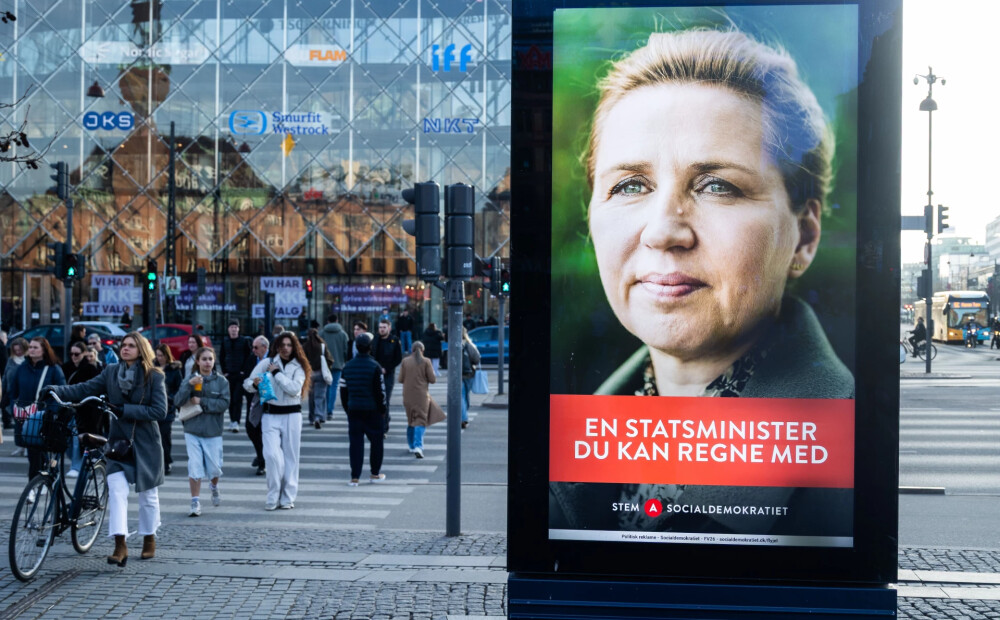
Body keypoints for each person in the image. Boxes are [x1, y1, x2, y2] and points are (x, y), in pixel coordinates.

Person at [551, 27, 854, 536]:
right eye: (629, 185)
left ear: (803, 236)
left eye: (718, 186)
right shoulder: (570, 445)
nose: (663, 230)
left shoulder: (849, 454)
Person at [44, 332, 167, 566]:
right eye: (124, 345)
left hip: (146, 444)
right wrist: (56, 390)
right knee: (117, 491)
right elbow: (84, 388)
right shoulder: (111, 372)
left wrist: (125, 410)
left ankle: (149, 537)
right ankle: (120, 544)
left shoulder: (154, 376)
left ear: (141, 350)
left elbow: (159, 411)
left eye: (131, 346)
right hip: (118, 444)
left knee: (148, 496)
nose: (126, 349)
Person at [244, 331, 310, 510]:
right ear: (277, 346)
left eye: (289, 345)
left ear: (294, 347)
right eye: (283, 345)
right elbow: (247, 383)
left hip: (292, 415)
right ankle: (273, 494)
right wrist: (254, 384)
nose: (286, 348)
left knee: (291, 457)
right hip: (270, 414)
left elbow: (294, 389)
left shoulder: (299, 366)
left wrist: (278, 373)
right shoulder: (267, 363)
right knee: (272, 455)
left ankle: (288, 496)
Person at [175, 346, 229, 517]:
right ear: (197, 361)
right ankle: (195, 502)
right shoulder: (190, 378)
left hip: (213, 430)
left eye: (210, 359)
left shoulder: (221, 382)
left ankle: (213, 486)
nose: (207, 362)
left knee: (214, 468)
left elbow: (223, 404)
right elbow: (177, 400)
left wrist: (202, 402)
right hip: (192, 429)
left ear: (214, 361)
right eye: (204, 359)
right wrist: (187, 387)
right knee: (195, 466)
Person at [11, 338, 66, 496]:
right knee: (32, 451)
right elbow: (13, 389)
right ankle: (34, 484)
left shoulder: (53, 369)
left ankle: (45, 480)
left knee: (42, 450)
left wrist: (53, 411)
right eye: (31, 347)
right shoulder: (23, 367)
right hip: (26, 415)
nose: (32, 350)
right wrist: (14, 405)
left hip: (45, 416)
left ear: (44, 350)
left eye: (35, 347)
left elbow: (61, 392)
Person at [339, 332, 387, 485]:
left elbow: (343, 391)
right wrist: (383, 410)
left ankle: (355, 477)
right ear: (370, 348)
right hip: (373, 410)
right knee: (376, 442)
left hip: (354, 409)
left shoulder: (347, 367)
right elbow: (381, 392)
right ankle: (374, 474)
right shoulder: (375, 366)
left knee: (355, 444)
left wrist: (348, 408)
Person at [61, 341, 101, 477]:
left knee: (79, 438)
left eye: (77, 354)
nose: (73, 356)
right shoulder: (66, 367)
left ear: (83, 354)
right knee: (69, 438)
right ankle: (78, 463)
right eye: (71, 353)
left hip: (85, 409)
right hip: (68, 407)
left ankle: (77, 466)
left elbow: (94, 389)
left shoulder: (90, 369)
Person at [397, 341, 435, 458]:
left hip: (407, 395)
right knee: (420, 420)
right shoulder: (426, 361)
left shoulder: (405, 361)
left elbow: (400, 379)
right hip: (422, 395)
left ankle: (411, 445)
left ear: (412, 350)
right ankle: (418, 446)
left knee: (411, 420)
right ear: (422, 350)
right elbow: (432, 379)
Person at [218, 320, 254, 433]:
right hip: (229, 374)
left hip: (240, 374)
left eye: (235, 327)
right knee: (230, 399)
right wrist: (224, 371)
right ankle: (232, 419)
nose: (233, 329)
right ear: (228, 329)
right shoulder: (225, 341)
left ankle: (236, 421)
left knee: (237, 398)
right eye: (231, 327)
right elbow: (221, 356)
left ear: (238, 329)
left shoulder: (244, 341)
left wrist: (244, 371)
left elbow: (248, 356)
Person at [155, 344, 183, 475]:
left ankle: (166, 462)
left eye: (161, 355)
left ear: (167, 356)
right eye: (158, 355)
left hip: (168, 407)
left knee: (165, 435)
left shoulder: (174, 370)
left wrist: (170, 399)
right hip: (154, 407)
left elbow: (179, 388)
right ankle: (157, 462)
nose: (159, 358)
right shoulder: (153, 368)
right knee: (155, 436)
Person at [246, 336, 269, 476]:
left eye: (256, 347)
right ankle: (260, 455)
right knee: (251, 428)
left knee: (264, 431)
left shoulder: (272, 360)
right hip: (254, 400)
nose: (253, 350)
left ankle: (262, 461)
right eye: (253, 347)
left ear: (264, 348)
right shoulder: (251, 359)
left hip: (269, 402)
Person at [373, 319, 403, 429]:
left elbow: (398, 358)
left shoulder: (394, 341)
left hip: (388, 374)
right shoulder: (375, 339)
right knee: (376, 399)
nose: (381, 329)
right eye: (380, 327)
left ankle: (384, 426)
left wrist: (387, 369)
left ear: (389, 328)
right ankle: (378, 421)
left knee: (385, 400)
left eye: (384, 327)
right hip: (375, 373)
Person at [302, 328, 334, 429]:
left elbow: (302, 361)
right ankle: (319, 417)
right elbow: (329, 359)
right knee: (320, 397)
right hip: (320, 373)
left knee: (311, 398)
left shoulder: (305, 346)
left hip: (309, 374)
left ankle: (311, 418)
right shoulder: (322, 346)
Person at [322, 314, 350, 422]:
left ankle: (324, 410)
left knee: (325, 387)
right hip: (338, 364)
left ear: (328, 321)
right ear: (337, 320)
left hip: (325, 364)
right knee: (334, 387)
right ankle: (330, 411)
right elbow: (345, 350)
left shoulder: (322, 333)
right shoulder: (343, 334)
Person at [1, 336, 27, 432]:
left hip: (23, 393)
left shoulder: (28, 360)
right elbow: (5, 375)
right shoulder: (11, 360)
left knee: (24, 418)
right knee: (15, 416)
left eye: (19, 350)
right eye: (15, 350)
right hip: (11, 392)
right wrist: (3, 390)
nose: (18, 352)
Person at [459, 327, 481, 430]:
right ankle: (463, 417)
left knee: (461, 396)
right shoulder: (469, 345)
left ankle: (463, 416)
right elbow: (477, 359)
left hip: (458, 376)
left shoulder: (454, 345)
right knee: (464, 396)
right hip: (469, 374)